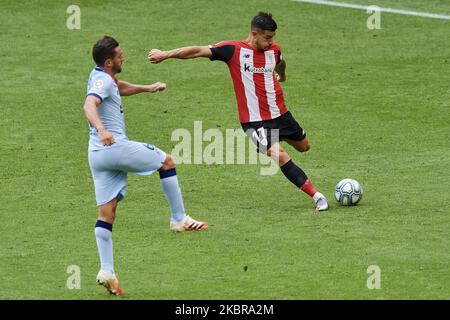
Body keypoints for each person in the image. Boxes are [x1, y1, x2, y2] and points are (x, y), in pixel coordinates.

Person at [147, 12, 329, 212]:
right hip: (254, 121)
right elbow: (197, 50)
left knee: (304, 146)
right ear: (254, 33)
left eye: (273, 38)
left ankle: (275, 140)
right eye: (267, 38)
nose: (271, 42)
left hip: (281, 114)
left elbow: (280, 61)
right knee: (279, 155)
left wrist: (282, 75)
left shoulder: (274, 50)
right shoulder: (233, 50)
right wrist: (165, 54)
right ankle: (317, 197)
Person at [83, 36, 208, 295]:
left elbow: (118, 88)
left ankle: (107, 270)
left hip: (96, 155)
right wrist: (103, 129)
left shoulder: (102, 77)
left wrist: (148, 88)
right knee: (167, 161)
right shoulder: (102, 81)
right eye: (119, 55)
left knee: (107, 214)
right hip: (113, 147)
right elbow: (89, 105)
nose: (123, 57)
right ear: (109, 61)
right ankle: (178, 219)